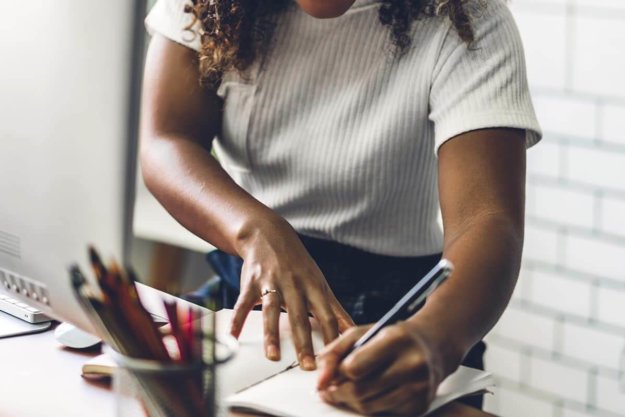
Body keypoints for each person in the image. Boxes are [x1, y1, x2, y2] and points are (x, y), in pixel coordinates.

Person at [141, 0, 541, 414]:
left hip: (406, 319)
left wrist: (435, 339)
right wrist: (255, 230)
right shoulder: (209, 5)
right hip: (248, 298)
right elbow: (168, 140)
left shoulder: (466, 17)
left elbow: (486, 218)